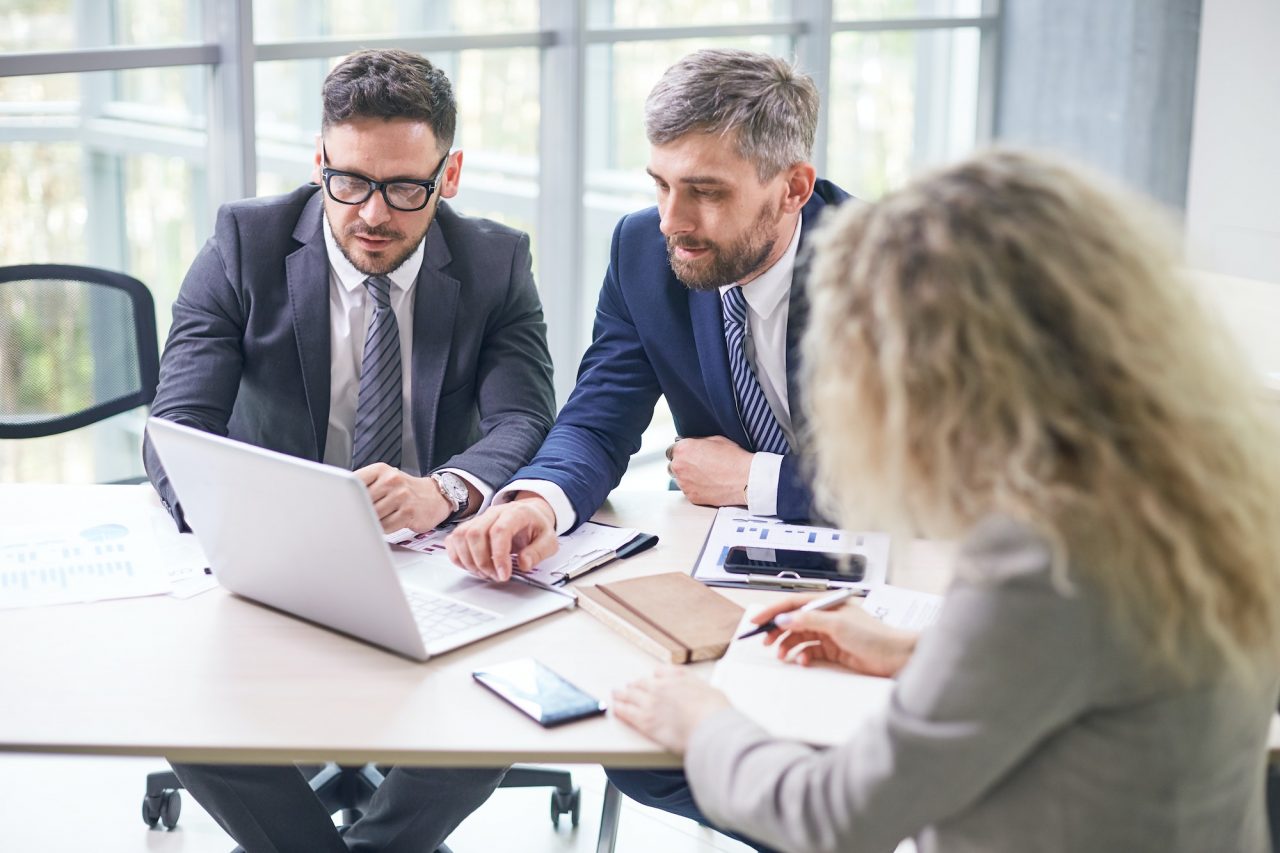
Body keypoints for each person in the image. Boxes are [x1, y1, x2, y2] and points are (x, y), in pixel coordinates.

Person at [612, 148, 1280, 853]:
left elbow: (837, 817)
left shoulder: (1045, 553)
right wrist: (913, 649)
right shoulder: (1209, 477)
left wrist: (702, 720)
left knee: (659, 765)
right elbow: (1106, 664)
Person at [144, 49, 555, 852]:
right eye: (350, 181)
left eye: (406, 188)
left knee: (503, 703)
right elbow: (177, 430)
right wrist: (279, 522)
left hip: (434, 555)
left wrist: (448, 489)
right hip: (276, 561)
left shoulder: (495, 261)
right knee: (179, 705)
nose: (372, 213)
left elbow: (527, 418)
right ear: (320, 161)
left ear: (452, 172)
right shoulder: (244, 243)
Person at [444, 48, 850, 847]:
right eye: (661, 184)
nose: (673, 219)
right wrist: (539, 501)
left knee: (823, 737)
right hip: (731, 586)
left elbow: (935, 483)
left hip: (874, 583)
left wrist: (756, 479)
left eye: (705, 191)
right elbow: (598, 415)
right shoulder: (644, 250)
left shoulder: (887, 265)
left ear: (793, 187)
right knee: (637, 748)